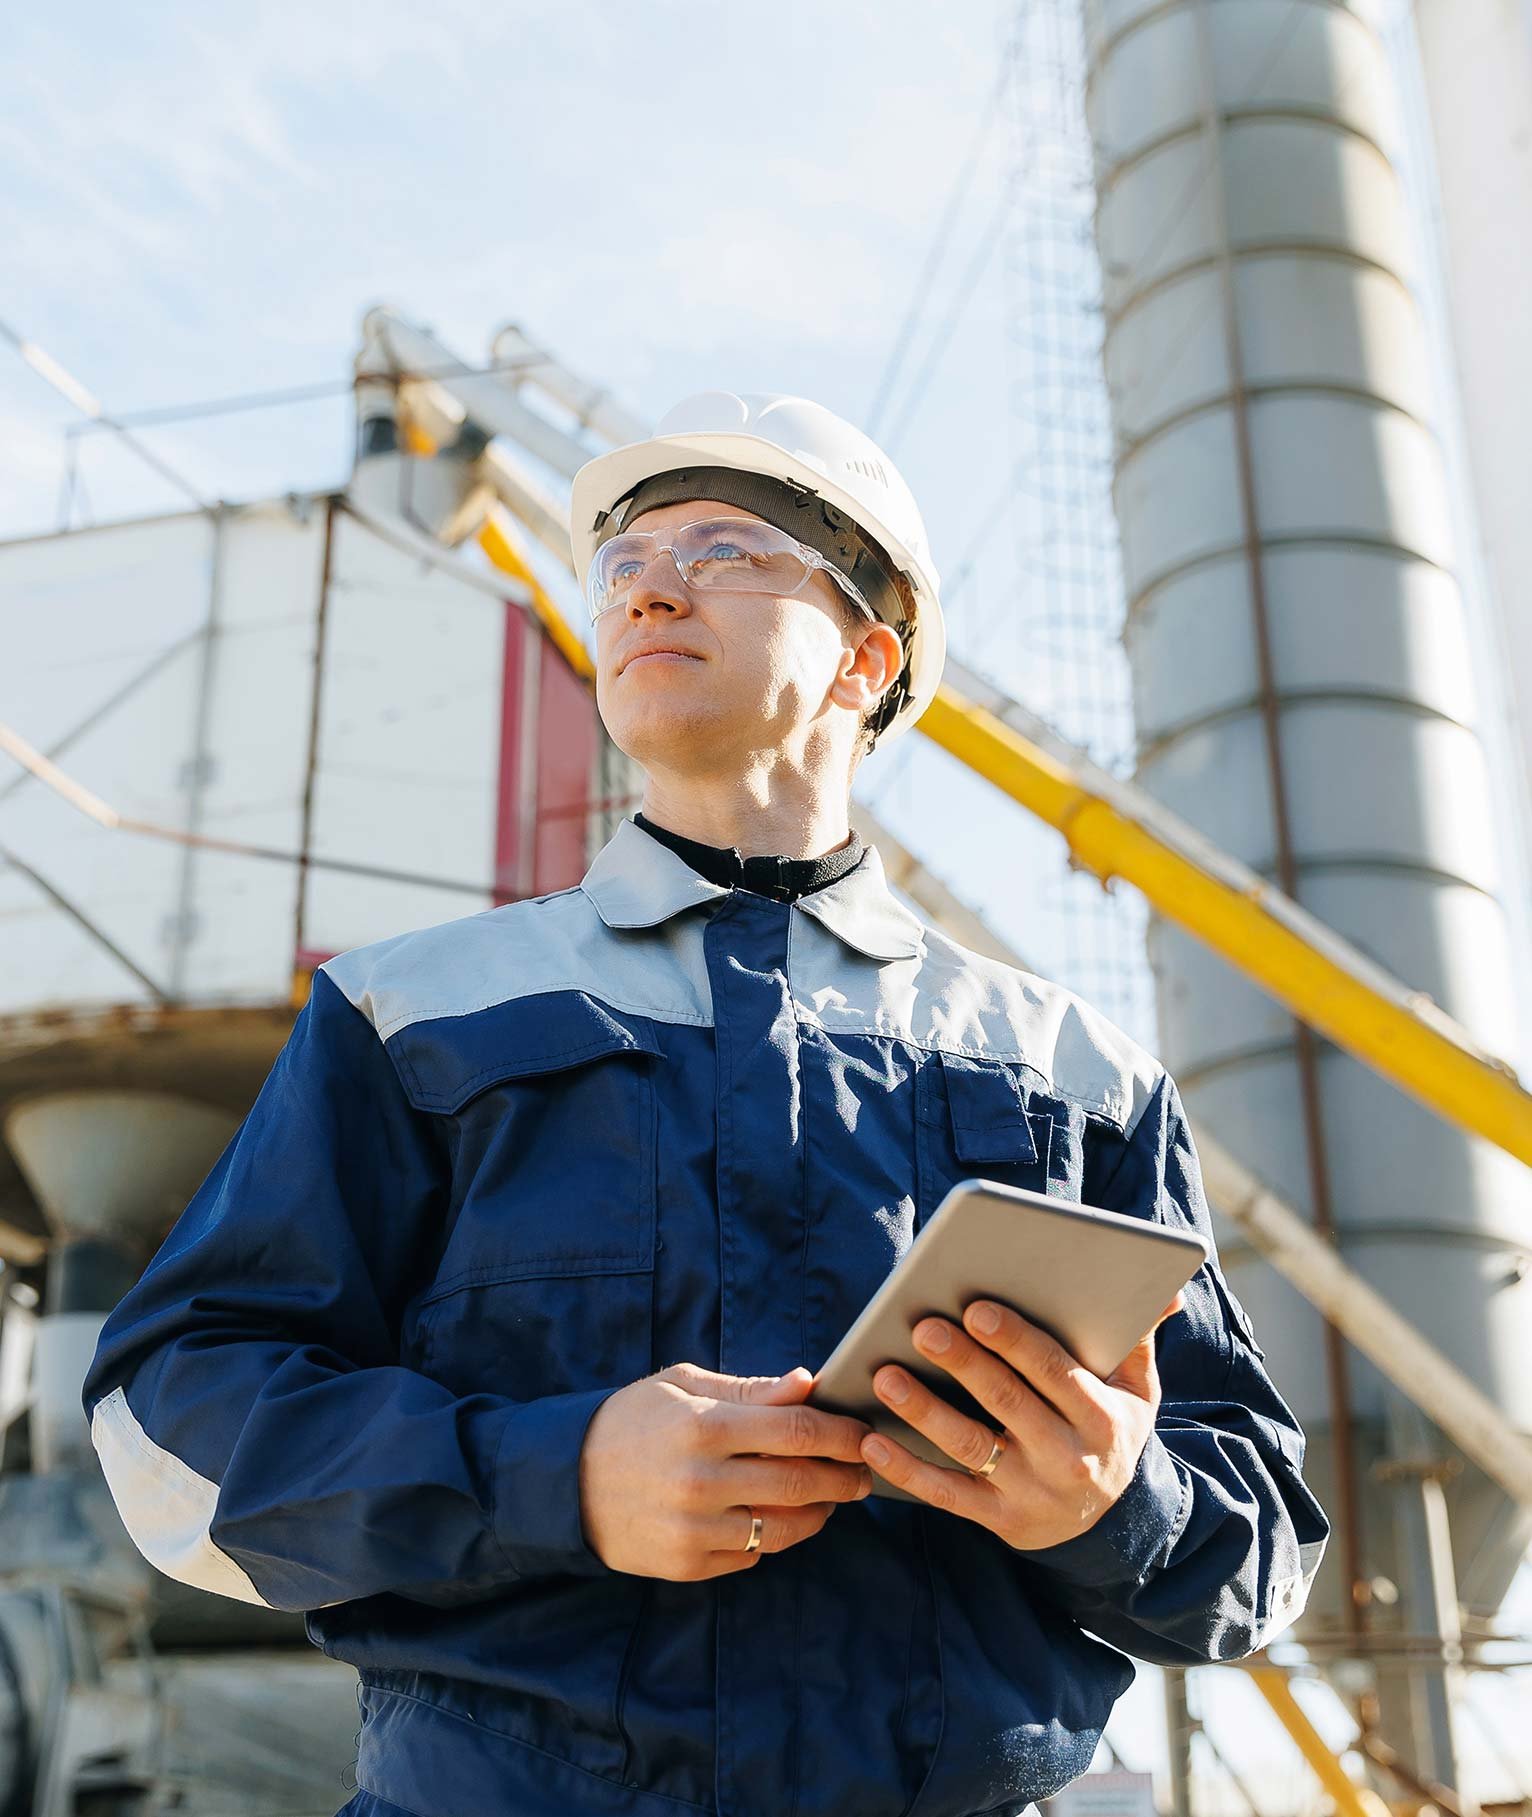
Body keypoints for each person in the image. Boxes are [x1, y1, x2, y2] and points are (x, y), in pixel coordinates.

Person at [82, 390, 1329, 1817]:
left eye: (728, 548)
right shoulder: (406, 1014)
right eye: (623, 562)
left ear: (870, 654)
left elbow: (1261, 1548)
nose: (651, 583)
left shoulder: (1076, 1071)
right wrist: (555, 1472)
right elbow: (168, 1427)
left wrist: (1115, 1506)